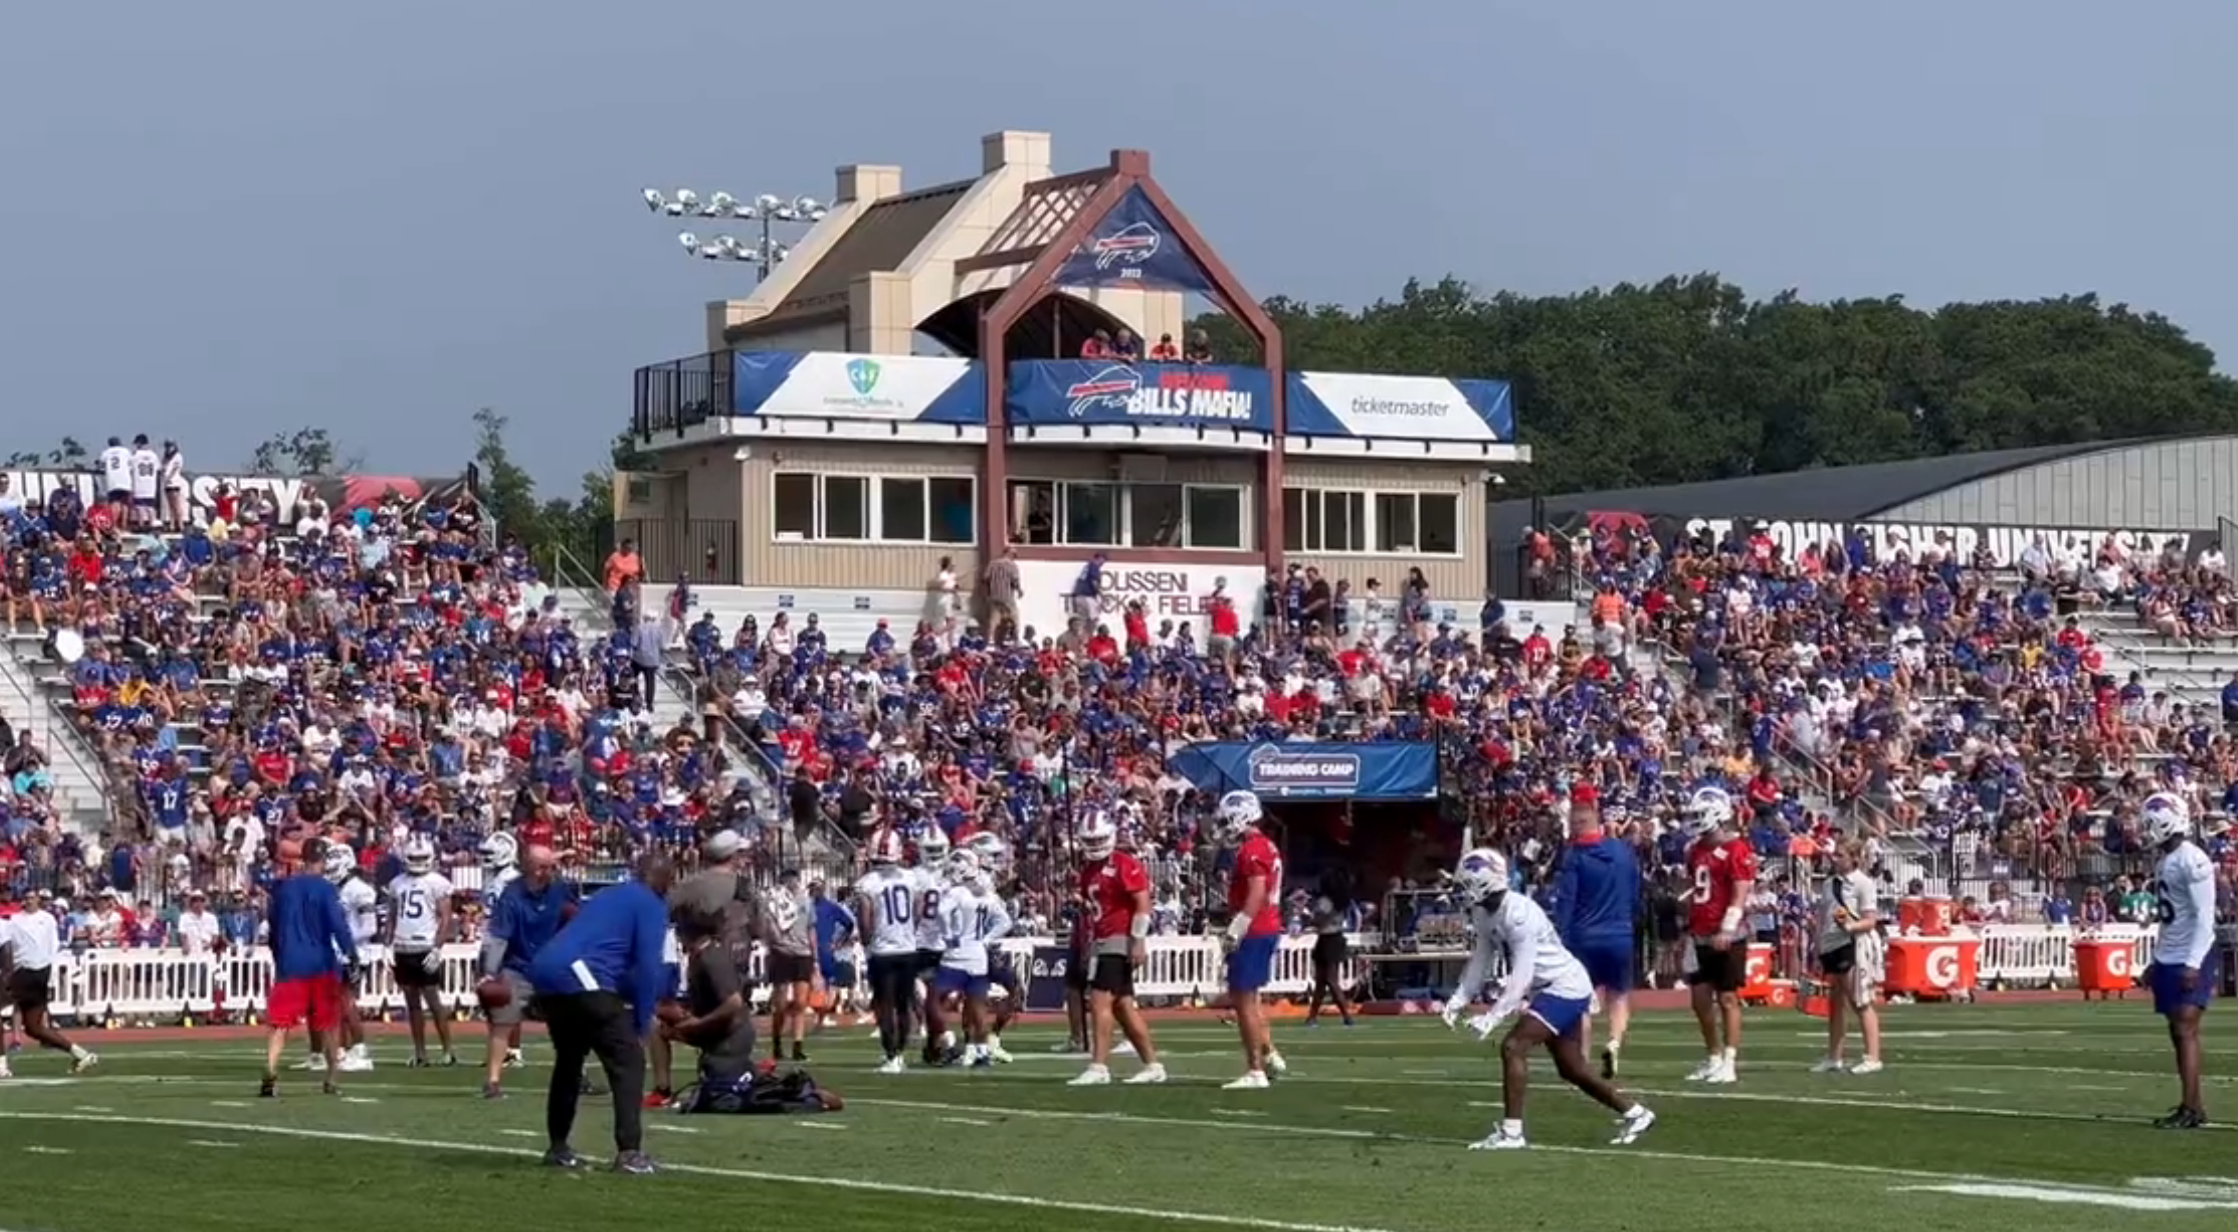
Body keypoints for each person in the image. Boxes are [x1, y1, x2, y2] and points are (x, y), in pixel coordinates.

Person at [1440, 847, 1656, 1151]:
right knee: (1572, 1069)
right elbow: (1481, 958)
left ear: (1487, 883)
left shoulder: (1519, 913)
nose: (1460, 890)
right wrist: (1459, 998)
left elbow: (1523, 975)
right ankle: (1637, 1113)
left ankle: (1512, 1133)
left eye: (1466, 883)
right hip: (1549, 986)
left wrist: (1493, 1016)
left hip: (1563, 985)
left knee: (1513, 1046)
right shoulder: (1482, 912)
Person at [526, 852, 676, 1175]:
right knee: (629, 1061)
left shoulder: (610, 894)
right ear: (664, 880)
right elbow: (648, 966)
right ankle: (629, 1152)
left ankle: (558, 1146)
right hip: (580, 973)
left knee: (569, 1059)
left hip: (548, 970)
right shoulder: (650, 903)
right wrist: (642, 1017)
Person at [1067, 810, 1166, 1086]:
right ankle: (1152, 1064)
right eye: (1091, 839)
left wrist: (1138, 940)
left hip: (1120, 938)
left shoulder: (1125, 864)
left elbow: (1143, 904)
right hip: (1102, 939)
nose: (1095, 845)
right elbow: (1098, 909)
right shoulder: (1088, 872)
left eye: (1100, 838)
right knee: (1122, 1006)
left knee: (1100, 1000)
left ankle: (1098, 1066)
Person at [1549, 784, 1641, 1078]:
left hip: (1583, 937)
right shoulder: (1622, 852)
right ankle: (1613, 1043)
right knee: (1619, 995)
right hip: (1620, 934)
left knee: (1581, 1003)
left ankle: (1582, 1060)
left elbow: (1566, 901)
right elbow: (1636, 891)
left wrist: (1558, 938)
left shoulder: (1575, 856)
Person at [2143, 791, 2218, 1129]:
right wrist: (2156, 959)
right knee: (2177, 1030)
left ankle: (2190, 1109)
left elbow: (2204, 917)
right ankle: (2193, 1106)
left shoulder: (2193, 859)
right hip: (2171, 953)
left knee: (2186, 1027)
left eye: (2151, 823)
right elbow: (2169, 917)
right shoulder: (2165, 862)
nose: (2147, 830)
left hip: (2192, 952)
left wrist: (2193, 961)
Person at [481, 843, 578, 1099]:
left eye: (551, 867)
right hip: (519, 966)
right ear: (531, 869)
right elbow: (500, 937)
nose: (549, 872)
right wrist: (491, 972)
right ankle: (492, 1081)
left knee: (572, 1023)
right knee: (503, 1019)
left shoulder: (559, 888)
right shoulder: (511, 896)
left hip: (552, 965)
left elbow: (576, 917)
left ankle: (578, 1076)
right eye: (544, 867)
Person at [261, 836, 356, 1098]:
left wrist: (278, 954)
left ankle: (270, 1068)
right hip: (321, 962)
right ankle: (332, 1077)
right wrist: (352, 954)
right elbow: (338, 925)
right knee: (328, 1023)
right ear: (323, 860)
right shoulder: (326, 889)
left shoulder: (284, 888)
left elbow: (273, 926)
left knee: (280, 1023)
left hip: (290, 962)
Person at [1213, 789, 1289, 1089]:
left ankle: (1255, 1069)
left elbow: (1257, 894)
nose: (1224, 826)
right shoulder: (1264, 846)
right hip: (1265, 926)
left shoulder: (1253, 849)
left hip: (1256, 929)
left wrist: (1237, 927)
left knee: (1243, 1001)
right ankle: (1269, 1054)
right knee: (1250, 1000)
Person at [1680, 786, 1754, 1084]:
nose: (1696, 821)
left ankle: (1730, 1061)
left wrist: (1727, 927)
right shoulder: (1696, 850)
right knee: (1699, 1000)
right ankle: (1713, 1056)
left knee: (1727, 998)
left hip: (1726, 935)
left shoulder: (1736, 849)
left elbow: (1740, 892)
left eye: (1700, 815)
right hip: (1698, 932)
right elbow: (1696, 889)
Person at [0, 889, 98, 1078]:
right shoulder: (14, 921)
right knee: (34, 1027)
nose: (29, 901)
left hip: (28, 972)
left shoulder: (42, 920)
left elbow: (8, 949)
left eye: (32, 898)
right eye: (26, 898)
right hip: (32, 972)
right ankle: (81, 1054)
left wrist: (7, 973)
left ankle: (1, 1066)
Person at [663, 903, 757, 1086]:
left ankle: (663, 1089)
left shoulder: (711, 958)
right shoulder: (701, 956)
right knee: (660, 1025)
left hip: (729, 1035)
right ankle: (662, 1088)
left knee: (728, 1088)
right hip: (719, 1031)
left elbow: (734, 1003)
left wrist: (699, 1023)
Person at [1811, 838, 1884, 1075]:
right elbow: (1822, 917)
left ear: (1853, 858)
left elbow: (1871, 920)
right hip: (1830, 945)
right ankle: (1834, 1056)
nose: (1835, 859)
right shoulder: (1829, 883)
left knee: (1860, 1001)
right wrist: (1817, 947)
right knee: (1835, 1005)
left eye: (1841, 855)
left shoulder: (1863, 883)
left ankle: (1872, 1056)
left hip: (1850, 944)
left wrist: (1850, 927)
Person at [384, 836, 459, 1068]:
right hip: (403, 946)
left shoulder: (438, 882)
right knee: (412, 1002)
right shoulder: (397, 883)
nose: (417, 861)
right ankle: (420, 1052)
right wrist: (387, 945)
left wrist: (438, 947)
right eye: (414, 857)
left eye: (421, 857)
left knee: (433, 999)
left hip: (425, 946)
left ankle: (448, 1050)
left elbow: (446, 919)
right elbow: (392, 916)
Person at [935, 849, 1013, 1067]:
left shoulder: (957, 893)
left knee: (934, 1000)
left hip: (958, 954)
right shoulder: (986, 893)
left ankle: (961, 1045)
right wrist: (986, 939)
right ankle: (978, 1049)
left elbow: (941, 912)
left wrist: (948, 934)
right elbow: (1005, 921)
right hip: (979, 954)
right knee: (976, 1006)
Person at [853, 830, 922, 1073]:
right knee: (903, 1005)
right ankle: (899, 1054)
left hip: (882, 951)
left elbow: (865, 920)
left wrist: (866, 942)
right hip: (907, 947)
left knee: (883, 1004)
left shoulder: (867, 883)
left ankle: (891, 1053)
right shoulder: (911, 878)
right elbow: (918, 911)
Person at [479, 833, 527, 1072]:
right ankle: (499, 1047)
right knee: (491, 997)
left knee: (509, 997)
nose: (486, 858)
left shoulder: (513, 880)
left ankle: (513, 1049)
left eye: (490, 853)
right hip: (489, 939)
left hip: (505, 942)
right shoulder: (491, 877)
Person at [760, 867, 818, 1065]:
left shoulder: (806, 901)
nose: (792, 883)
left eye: (794, 879)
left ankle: (798, 1046)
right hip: (782, 953)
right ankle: (777, 1042)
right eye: (788, 880)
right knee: (781, 1004)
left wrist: (815, 958)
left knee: (801, 1002)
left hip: (803, 954)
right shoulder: (774, 902)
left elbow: (811, 930)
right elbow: (767, 928)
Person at [331, 843, 380, 1072]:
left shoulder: (360, 890)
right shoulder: (338, 889)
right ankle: (343, 1049)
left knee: (346, 1002)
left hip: (354, 954)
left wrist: (345, 942)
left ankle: (360, 1049)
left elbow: (369, 927)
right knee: (336, 1003)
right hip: (340, 953)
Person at [910, 828, 954, 1064]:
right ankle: (936, 1045)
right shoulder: (953, 874)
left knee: (931, 999)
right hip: (942, 942)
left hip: (922, 942)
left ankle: (940, 1042)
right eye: (932, 849)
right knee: (935, 998)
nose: (936, 854)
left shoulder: (914, 875)